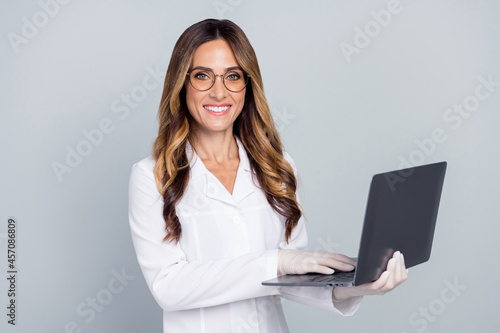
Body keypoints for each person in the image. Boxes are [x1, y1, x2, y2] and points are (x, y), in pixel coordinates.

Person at [128, 18, 407, 333]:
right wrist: (276, 261)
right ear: (181, 82)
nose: (219, 93)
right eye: (202, 76)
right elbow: (169, 287)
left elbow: (286, 281)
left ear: (247, 85)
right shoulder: (152, 176)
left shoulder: (277, 166)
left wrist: (357, 286)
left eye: (232, 76)